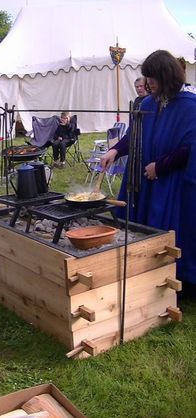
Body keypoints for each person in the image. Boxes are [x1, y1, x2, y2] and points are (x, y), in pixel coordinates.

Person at [100, 50, 196, 294]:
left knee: (173, 229)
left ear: (166, 76)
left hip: (173, 182)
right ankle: (147, 273)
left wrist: (160, 167)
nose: (147, 83)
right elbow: (135, 134)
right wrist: (116, 151)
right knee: (144, 226)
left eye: (152, 78)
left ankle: (178, 278)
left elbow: (190, 146)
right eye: (147, 78)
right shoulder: (148, 103)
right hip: (146, 179)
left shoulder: (189, 106)